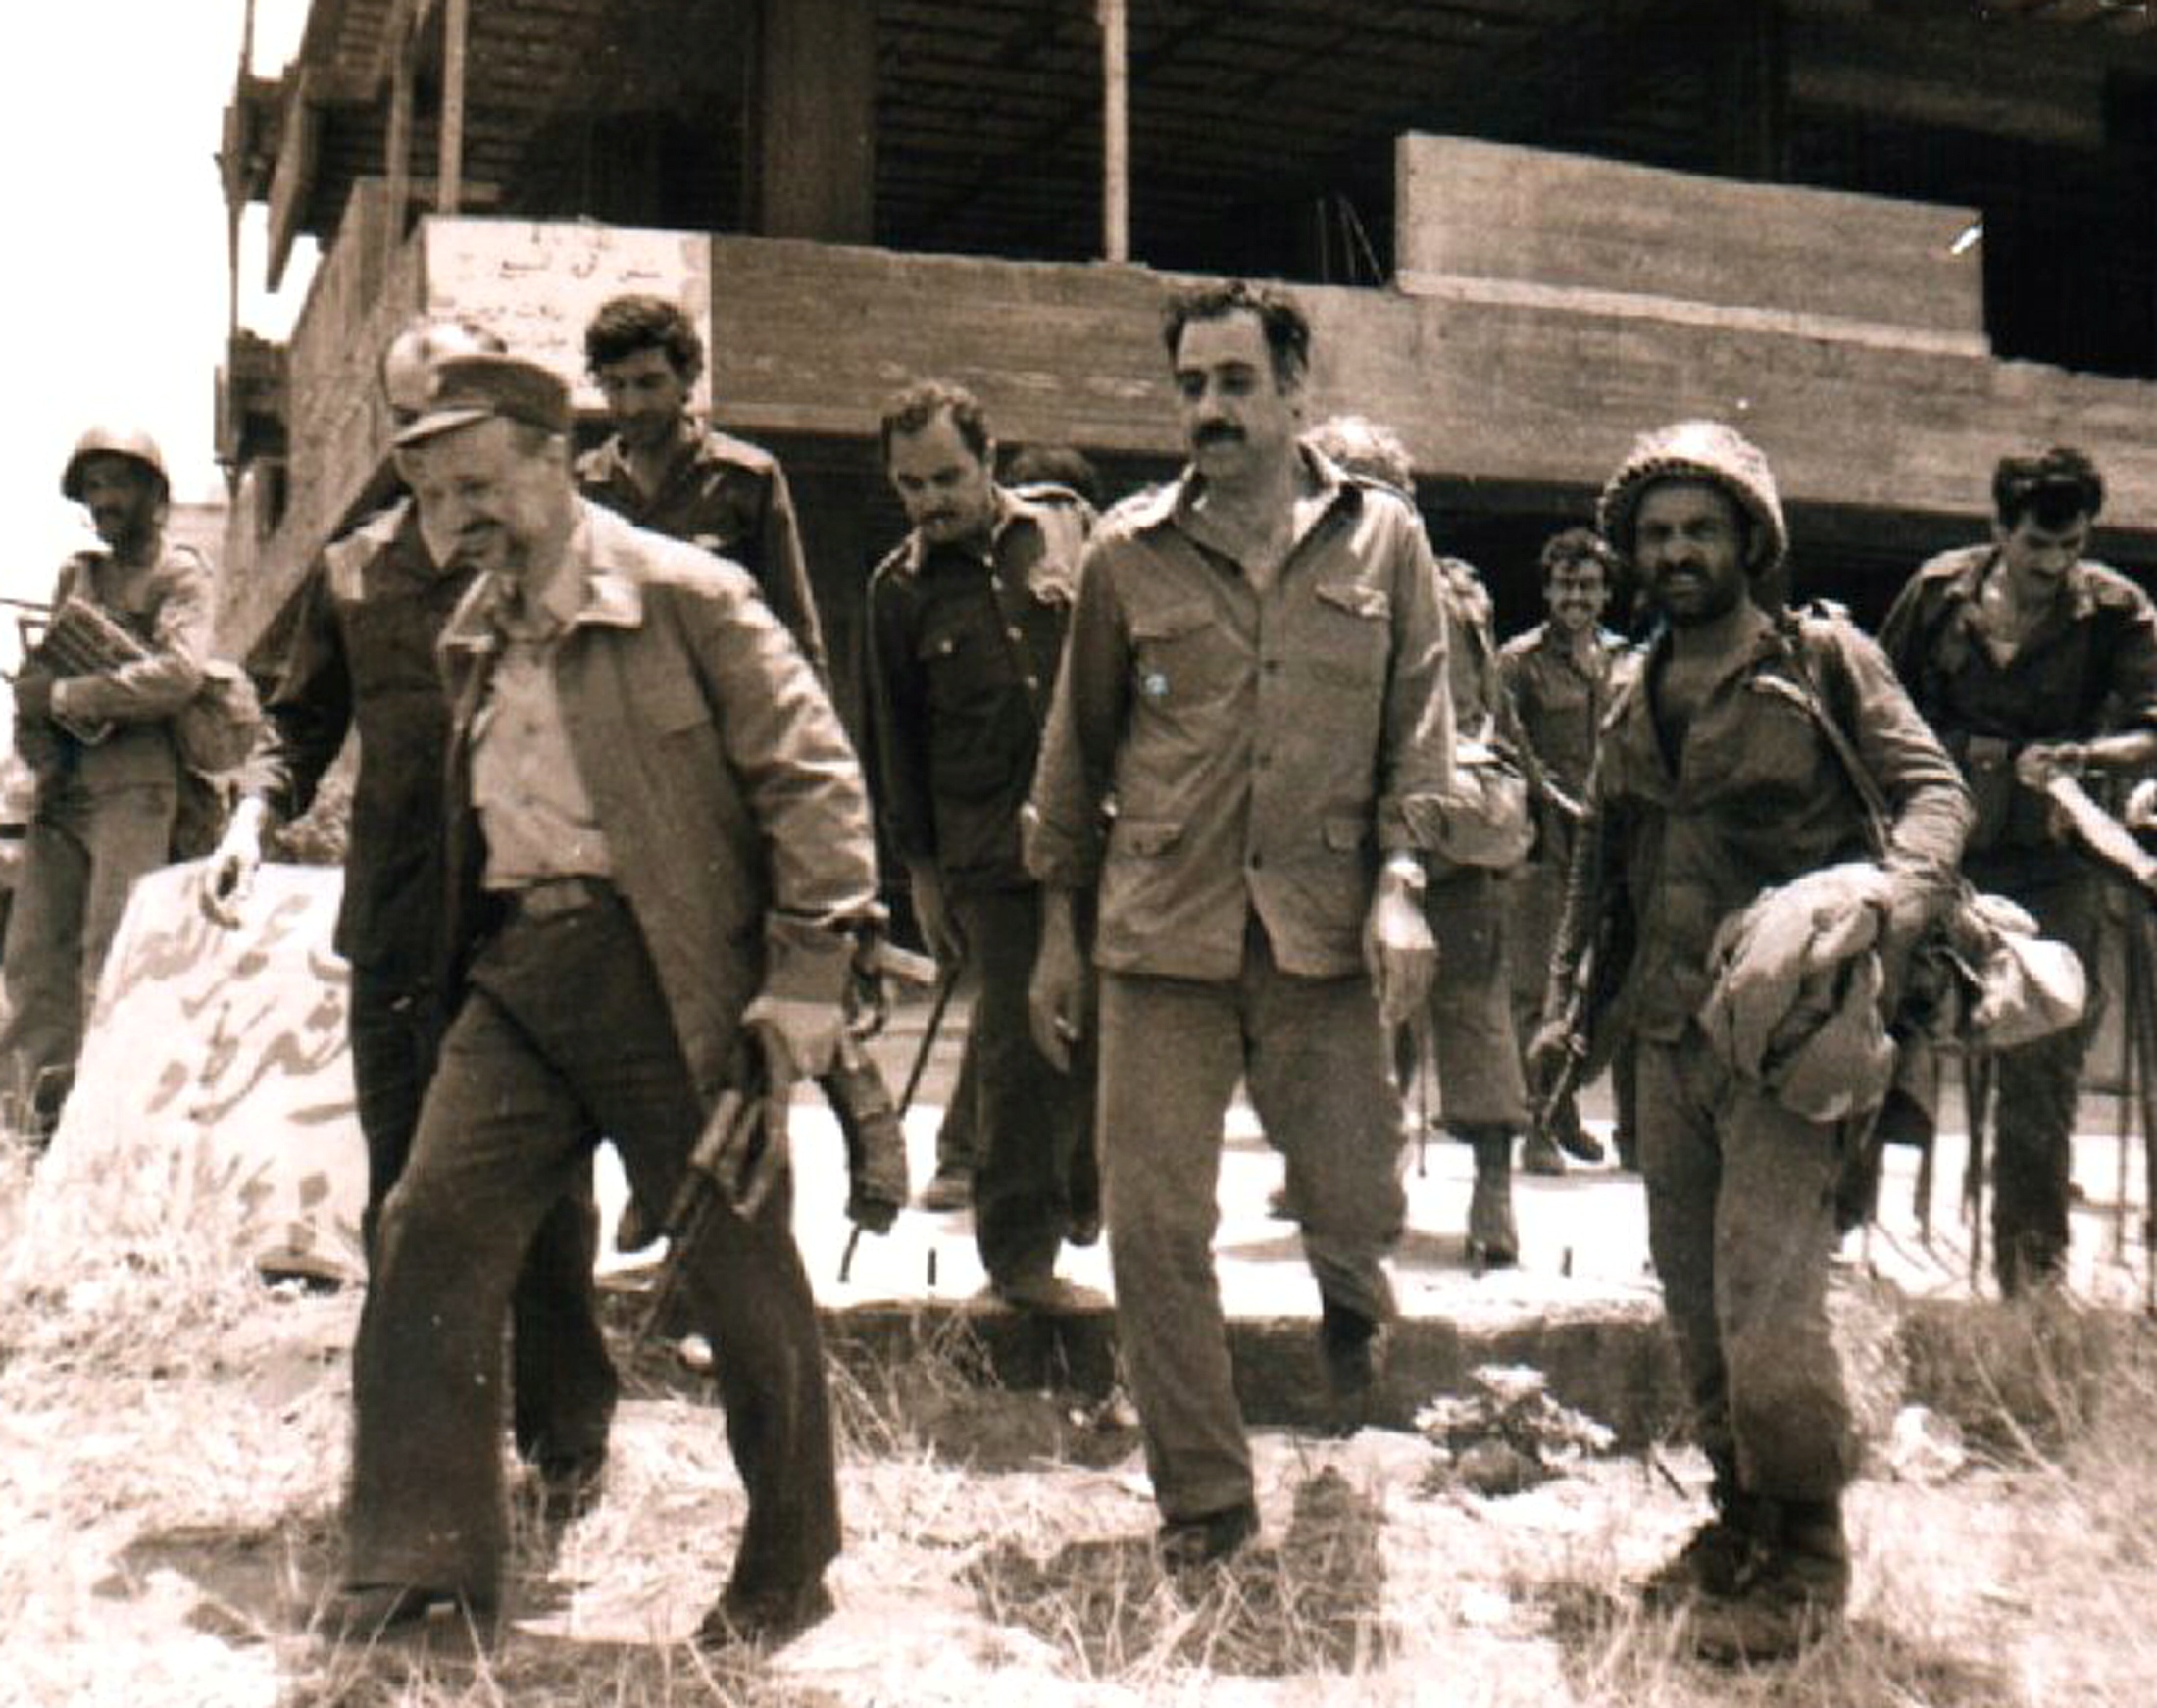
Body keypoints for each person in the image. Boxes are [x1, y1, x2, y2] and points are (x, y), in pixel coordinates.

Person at [326, 353, 878, 1649]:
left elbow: (814, 782)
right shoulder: (472, 632)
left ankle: (789, 1561)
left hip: (670, 971)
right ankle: (419, 1564)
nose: (456, 517)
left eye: (477, 485)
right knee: (429, 1225)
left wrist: (808, 977)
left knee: (737, 1270)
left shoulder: (690, 594)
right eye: (435, 495)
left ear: (551, 457)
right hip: (521, 969)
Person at [1026, 281, 1452, 1566]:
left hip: (1322, 929)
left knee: (1356, 1194)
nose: (1209, 408)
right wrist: (1058, 936)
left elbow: (1418, 731)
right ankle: (1206, 1499)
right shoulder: (1125, 553)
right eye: (1191, 386)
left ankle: (1349, 1293)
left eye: (1235, 382)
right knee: (1156, 1225)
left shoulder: (1385, 542)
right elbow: (1073, 757)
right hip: (1162, 933)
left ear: (1295, 388)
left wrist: (1401, 878)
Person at [1533, 421, 1970, 1660]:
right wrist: (1566, 1003)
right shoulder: (1632, 683)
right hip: (1665, 1035)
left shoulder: (1824, 658)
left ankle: (1808, 1554)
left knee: (1766, 1296)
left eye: (1700, 531)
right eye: (1656, 534)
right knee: (1691, 1293)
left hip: (1789, 1037)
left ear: (1749, 542)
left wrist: (1886, 901)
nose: (1677, 552)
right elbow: (1602, 855)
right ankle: (1740, 1519)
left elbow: (1935, 791)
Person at [202, 318, 617, 1512]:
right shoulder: (354, 570)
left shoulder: (544, 556)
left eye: (453, 410)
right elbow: (299, 723)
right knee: (404, 1192)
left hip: (523, 916)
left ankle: (565, 1438)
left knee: (547, 1192)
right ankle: (423, 1455)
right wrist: (248, 822)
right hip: (395, 924)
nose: (431, 438)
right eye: (412, 418)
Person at [1879, 446, 2157, 1295]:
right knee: (1873, 1035)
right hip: (1940, 851)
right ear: (1999, 528)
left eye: (2071, 546)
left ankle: (2029, 1293)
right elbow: (1876, 706)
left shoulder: (2116, 610)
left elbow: (2154, 727)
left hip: (2052, 862)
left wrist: (2089, 754)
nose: (2053, 565)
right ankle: (1842, 1254)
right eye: (2037, 544)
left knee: (2041, 1066)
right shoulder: (1937, 593)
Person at [861, 381, 1101, 1307]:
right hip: (989, 851)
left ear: (989, 459)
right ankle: (1019, 1258)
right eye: (909, 484)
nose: (930, 500)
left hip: (1103, 829)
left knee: (1107, 1027)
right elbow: (895, 742)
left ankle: (1082, 1194)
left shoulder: (1067, 529)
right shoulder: (896, 591)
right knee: (1017, 1045)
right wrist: (921, 878)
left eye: (948, 477)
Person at [1302, 413, 1533, 1266]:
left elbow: (1459, 719)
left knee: (1470, 1013)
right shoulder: (1315, 586)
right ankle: (1363, 1177)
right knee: (1361, 1021)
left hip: (1439, 835)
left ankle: (1493, 1186)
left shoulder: (1437, 593)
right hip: (1360, 837)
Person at [3, 427, 210, 1140]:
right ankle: (29, 1133)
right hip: (65, 789)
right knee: (33, 961)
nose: (103, 501)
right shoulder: (79, 577)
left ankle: (115, 1134)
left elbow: (179, 674)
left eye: (118, 484)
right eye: (92, 488)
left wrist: (67, 698)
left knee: (115, 957)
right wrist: (36, 720)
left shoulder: (179, 574)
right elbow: (44, 673)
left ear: (155, 493)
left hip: (136, 786)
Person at [575, 292, 828, 678]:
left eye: (649, 383)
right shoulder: (582, 489)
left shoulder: (745, 480)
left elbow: (793, 630)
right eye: (615, 385)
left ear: (688, 377)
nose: (632, 405)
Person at [1500, 526, 1637, 1170]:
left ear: (1607, 593)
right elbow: (1504, 747)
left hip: (1612, 842)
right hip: (1544, 844)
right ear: (1547, 591)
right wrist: (1552, 799)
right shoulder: (1519, 662)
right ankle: (1531, 1128)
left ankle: (1563, 1107)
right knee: (1537, 988)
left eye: (1587, 586)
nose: (1575, 598)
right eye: (1564, 586)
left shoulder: (1628, 661)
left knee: (1601, 984)